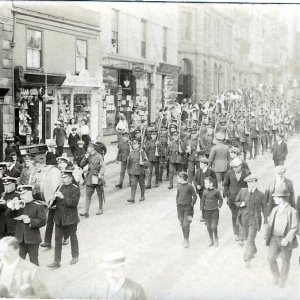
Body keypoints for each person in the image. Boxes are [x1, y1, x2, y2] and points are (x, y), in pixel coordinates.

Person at [5, 185, 47, 266]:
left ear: (29, 193)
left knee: (34, 262)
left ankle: (34, 278)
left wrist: (30, 221)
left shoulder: (38, 205)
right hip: (20, 239)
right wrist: (12, 208)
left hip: (33, 239)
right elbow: (7, 215)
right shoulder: (19, 205)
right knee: (19, 262)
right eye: (20, 194)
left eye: (23, 194)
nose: (21, 196)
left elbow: (43, 221)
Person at [266, 187, 299, 288]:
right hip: (274, 238)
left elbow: (294, 227)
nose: (274, 198)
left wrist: (287, 239)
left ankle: (283, 280)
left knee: (285, 260)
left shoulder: (292, 211)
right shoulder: (275, 209)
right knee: (270, 258)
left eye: (275, 197)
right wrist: (267, 234)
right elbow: (270, 224)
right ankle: (276, 276)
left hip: (285, 240)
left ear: (281, 198)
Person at [48, 169, 80, 269]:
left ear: (70, 178)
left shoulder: (75, 188)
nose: (63, 179)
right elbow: (55, 202)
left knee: (73, 237)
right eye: (62, 177)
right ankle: (56, 261)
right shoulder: (59, 187)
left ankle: (75, 256)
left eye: (65, 177)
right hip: (59, 218)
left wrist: (62, 197)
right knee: (57, 240)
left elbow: (74, 203)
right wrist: (52, 201)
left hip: (71, 218)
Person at [235, 174, 268, 268]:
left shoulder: (261, 195)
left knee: (250, 239)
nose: (250, 184)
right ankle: (254, 250)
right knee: (247, 238)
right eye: (248, 182)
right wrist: (240, 204)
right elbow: (236, 201)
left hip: (254, 220)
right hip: (244, 219)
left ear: (255, 182)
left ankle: (247, 259)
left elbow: (265, 209)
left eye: (252, 182)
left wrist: (266, 221)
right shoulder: (242, 191)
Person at [223, 157, 251, 240]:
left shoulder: (247, 173)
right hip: (233, 199)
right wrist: (228, 194)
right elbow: (225, 184)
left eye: (236, 167)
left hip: (244, 199)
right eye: (233, 167)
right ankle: (237, 234)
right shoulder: (229, 173)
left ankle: (244, 233)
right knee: (235, 216)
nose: (234, 169)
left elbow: (250, 185)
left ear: (240, 166)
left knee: (244, 216)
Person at [80, 141, 105, 217]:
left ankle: (100, 208)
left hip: (97, 177)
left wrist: (101, 174)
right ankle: (86, 211)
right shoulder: (88, 156)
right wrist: (85, 158)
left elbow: (103, 166)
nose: (87, 148)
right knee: (88, 195)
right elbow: (81, 164)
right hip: (90, 178)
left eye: (89, 147)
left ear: (93, 148)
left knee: (99, 194)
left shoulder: (99, 156)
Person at [176, 172, 197, 248]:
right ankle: (184, 238)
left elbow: (195, 196)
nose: (177, 179)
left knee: (186, 224)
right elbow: (177, 196)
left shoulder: (190, 186)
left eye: (178, 178)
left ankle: (186, 239)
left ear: (182, 179)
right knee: (182, 223)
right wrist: (177, 203)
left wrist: (192, 204)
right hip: (180, 208)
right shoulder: (179, 186)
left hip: (188, 208)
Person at [193, 157, 217, 222]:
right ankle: (203, 215)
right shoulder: (198, 171)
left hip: (208, 190)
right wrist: (197, 185)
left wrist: (213, 189)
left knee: (208, 202)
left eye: (201, 163)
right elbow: (194, 179)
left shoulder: (211, 171)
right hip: (201, 191)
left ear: (205, 164)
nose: (200, 165)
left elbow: (215, 181)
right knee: (202, 202)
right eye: (199, 163)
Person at [201, 176, 223, 247]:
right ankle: (211, 240)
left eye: (206, 183)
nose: (205, 185)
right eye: (205, 183)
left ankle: (216, 239)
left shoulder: (216, 191)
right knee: (208, 227)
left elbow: (221, 199)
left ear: (211, 184)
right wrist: (202, 210)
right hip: (207, 212)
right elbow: (202, 201)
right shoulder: (204, 192)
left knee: (213, 226)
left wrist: (219, 206)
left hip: (214, 211)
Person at [126, 138, 148, 203]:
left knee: (142, 184)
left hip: (140, 171)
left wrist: (143, 163)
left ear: (138, 144)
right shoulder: (131, 153)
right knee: (133, 184)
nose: (134, 145)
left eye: (135, 144)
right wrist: (128, 171)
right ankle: (132, 198)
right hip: (132, 171)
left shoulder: (142, 152)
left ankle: (142, 195)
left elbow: (147, 161)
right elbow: (128, 162)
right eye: (133, 144)